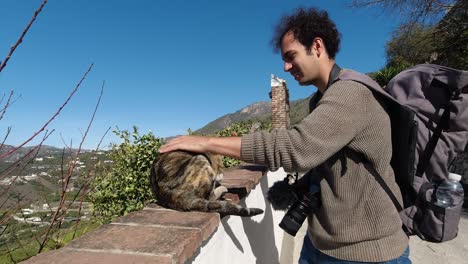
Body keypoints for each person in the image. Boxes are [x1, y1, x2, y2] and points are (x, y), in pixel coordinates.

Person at [159, 6, 411, 264]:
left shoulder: (349, 94)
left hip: (366, 253)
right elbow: (327, 159)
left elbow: (295, 149)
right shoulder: (321, 100)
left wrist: (206, 142)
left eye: (291, 56)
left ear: (317, 46)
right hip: (322, 243)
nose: (286, 66)